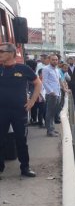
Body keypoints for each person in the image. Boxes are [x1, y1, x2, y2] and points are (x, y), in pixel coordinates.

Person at [0, 42, 42, 177]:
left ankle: (25, 167)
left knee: (21, 140)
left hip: (19, 111)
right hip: (2, 111)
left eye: (1, 51)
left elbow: (38, 83)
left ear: (11, 53)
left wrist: (32, 101)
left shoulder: (23, 69)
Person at [41, 54, 65, 137]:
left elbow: (59, 80)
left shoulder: (57, 69)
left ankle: (52, 129)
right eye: (53, 60)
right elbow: (45, 82)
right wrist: (51, 91)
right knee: (49, 113)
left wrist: (64, 89)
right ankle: (49, 131)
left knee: (54, 112)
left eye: (56, 60)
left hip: (57, 93)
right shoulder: (46, 69)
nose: (55, 61)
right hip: (51, 94)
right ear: (49, 60)